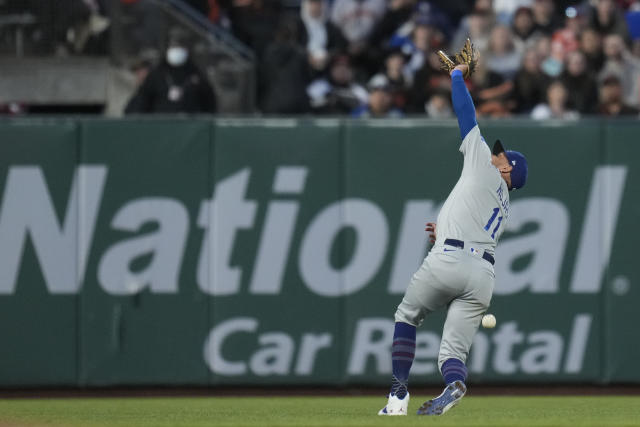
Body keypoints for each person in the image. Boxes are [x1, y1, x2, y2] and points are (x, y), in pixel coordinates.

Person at [378, 62, 528, 416]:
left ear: (507, 170)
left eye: (501, 156)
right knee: (452, 353)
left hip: (450, 260)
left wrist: (457, 76)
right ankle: (454, 383)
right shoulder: (504, 205)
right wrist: (445, 231)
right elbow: (472, 222)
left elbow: (465, 113)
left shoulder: (483, 167)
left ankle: (398, 397)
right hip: (482, 276)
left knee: (407, 315)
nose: (494, 154)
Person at [124, 31, 217, 114]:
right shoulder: (156, 75)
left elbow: (209, 105)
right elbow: (140, 104)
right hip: (160, 128)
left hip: (191, 129)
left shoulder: (197, 75)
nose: (177, 50)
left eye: (180, 46)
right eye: (173, 45)